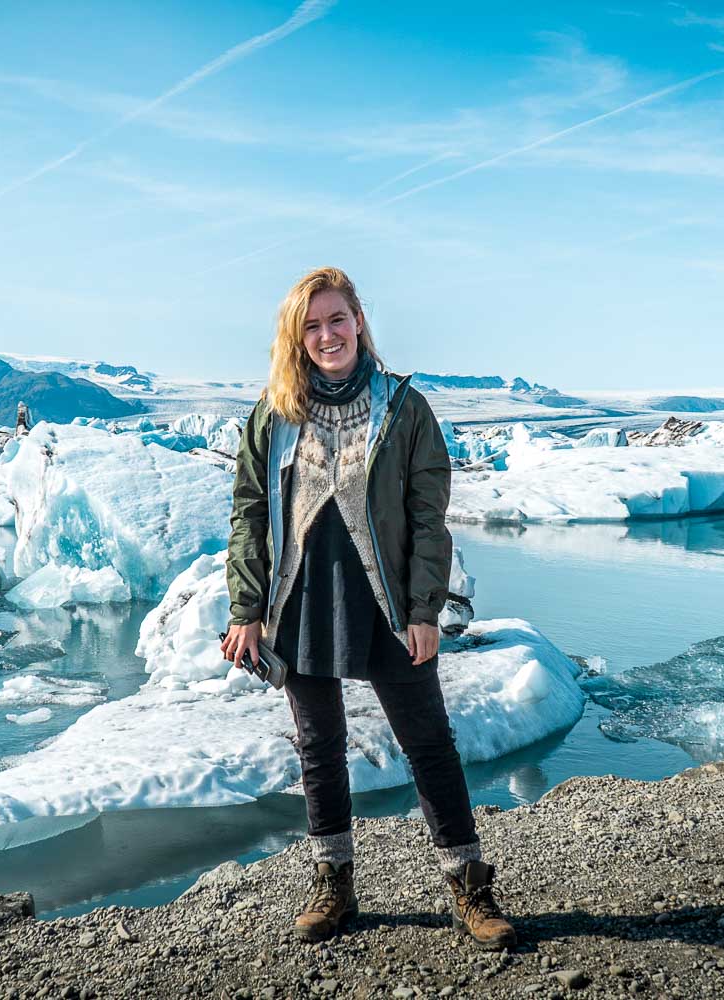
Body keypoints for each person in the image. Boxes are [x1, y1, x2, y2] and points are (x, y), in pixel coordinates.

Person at [219, 267, 516, 950]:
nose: (327, 334)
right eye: (312, 325)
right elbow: (250, 513)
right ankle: (334, 884)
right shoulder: (275, 411)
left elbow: (428, 517)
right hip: (300, 600)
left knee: (429, 744)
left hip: (385, 604)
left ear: (359, 323)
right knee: (319, 748)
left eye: (337, 319)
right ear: (296, 337)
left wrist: (424, 608)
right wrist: (246, 607)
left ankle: (471, 889)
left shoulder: (403, 409)